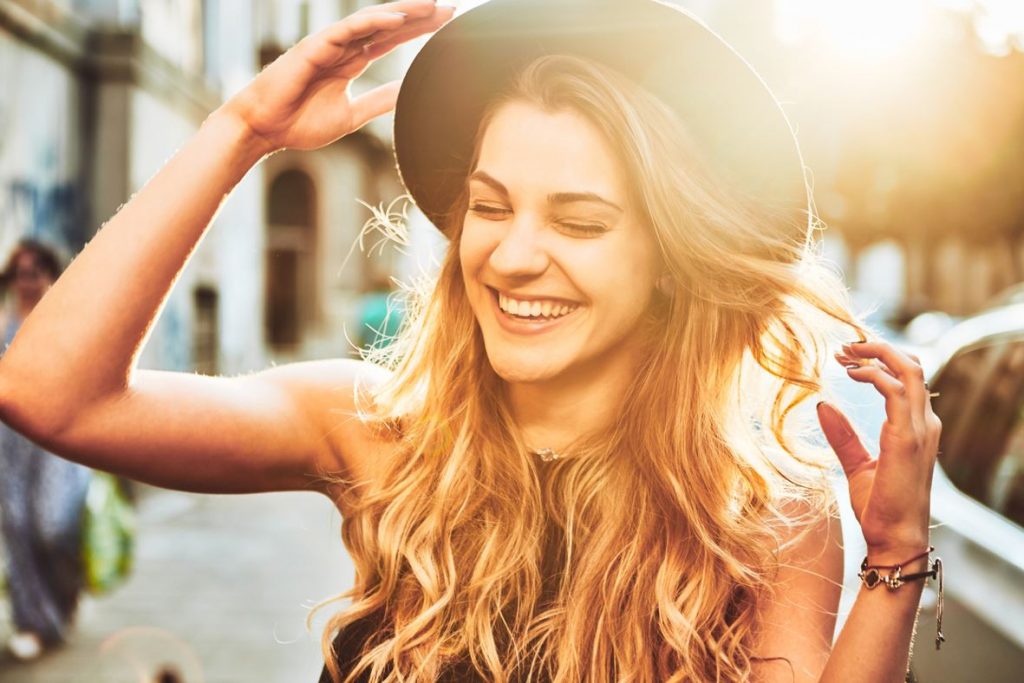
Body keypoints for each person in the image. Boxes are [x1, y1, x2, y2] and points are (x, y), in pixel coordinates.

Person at [0, 1, 943, 681]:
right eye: (490, 206)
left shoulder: (762, 515)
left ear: (668, 255)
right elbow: (52, 393)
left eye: (578, 222)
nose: (513, 255)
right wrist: (243, 130)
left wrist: (894, 556)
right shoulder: (376, 433)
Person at [0, 239, 92, 660]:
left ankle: (62, 599)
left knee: (52, 526)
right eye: (20, 272)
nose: (28, 279)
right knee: (17, 529)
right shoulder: (3, 321)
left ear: (50, 274)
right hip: (10, 444)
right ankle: (33, 622)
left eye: (35, 270)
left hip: (56, 441)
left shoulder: (65, 320)